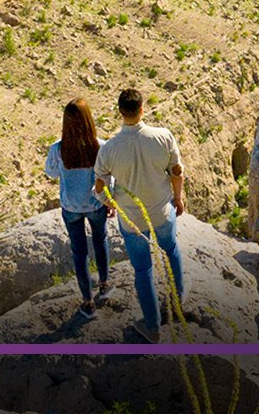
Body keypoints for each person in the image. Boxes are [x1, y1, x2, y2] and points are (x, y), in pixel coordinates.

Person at [94, 87, 187, 342]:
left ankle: (153, 327)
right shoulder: (163, 136)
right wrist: (177, 198)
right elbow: (176, 172)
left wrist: (109, 203)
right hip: (162, 210)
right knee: (170, 249)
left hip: (131, 219)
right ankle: (178, 303)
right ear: (142, 109)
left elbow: (99, 185)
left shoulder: (109, 149)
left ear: (120, 112)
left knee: (143, 269)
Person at [43, 98, 110, 319]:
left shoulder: (59, 148)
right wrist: (110, 202)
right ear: (88, 120)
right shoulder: (99, 145)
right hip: (95, 203)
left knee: (79, 252)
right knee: (100, 241)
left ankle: (88, 303)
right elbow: (109, 176)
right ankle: (105, 284)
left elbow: (51, 173)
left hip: (70, 206)